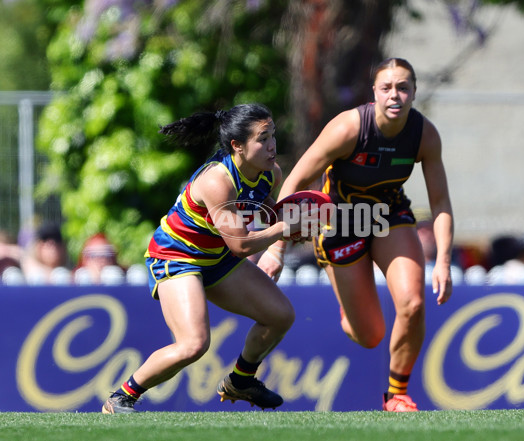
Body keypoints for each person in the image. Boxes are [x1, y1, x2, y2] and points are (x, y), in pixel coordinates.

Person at [259, 58, 454, 412]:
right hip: (338, 222)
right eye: (387, 88)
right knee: (370, 335)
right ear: (374, 93)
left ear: (414, 92)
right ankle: (351, 312)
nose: (395, 95)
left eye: (403, 88)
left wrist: (443, 261)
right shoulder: (349, 127)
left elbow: (440, 202)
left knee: (412, 304)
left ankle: (396, 396)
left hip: (388, 215)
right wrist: (276, 247)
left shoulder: (424, 134)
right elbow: (295, 183)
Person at [102, 103, 309, 413]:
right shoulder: (217, 181)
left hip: (216, 257)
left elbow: (263, 212)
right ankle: (122, 397)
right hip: (176, 257)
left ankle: (241, 381)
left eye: (273, 136)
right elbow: (240, 245)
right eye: (262, 138)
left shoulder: (270, 173)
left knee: (281, 315)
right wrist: (282, 229)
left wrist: (292, 224)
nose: (272, 146)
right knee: (193, 345)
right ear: (237, 146)